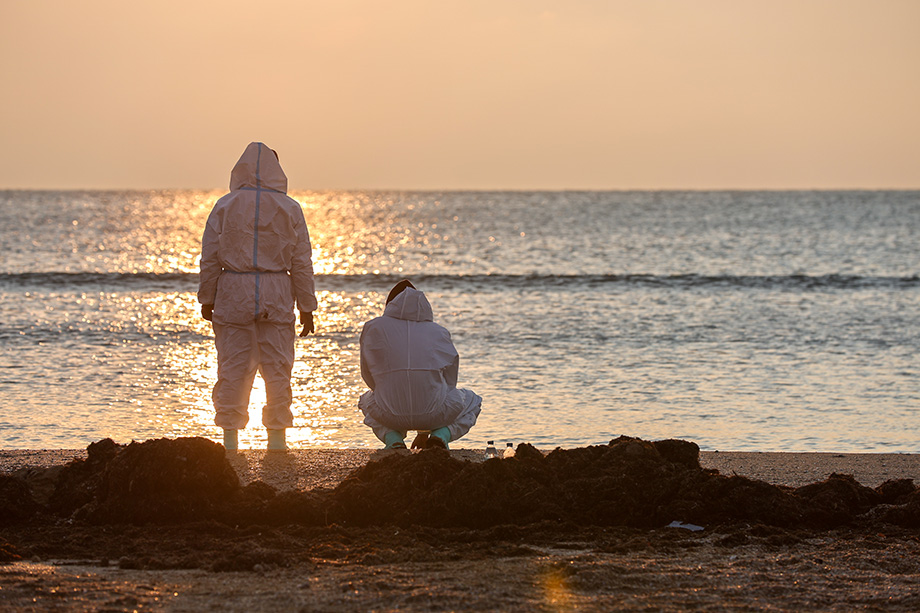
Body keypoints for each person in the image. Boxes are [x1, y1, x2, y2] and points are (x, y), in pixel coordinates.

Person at [198, 142, 317, 451]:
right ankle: (277, 441)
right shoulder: (290, 207)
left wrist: (207, 298)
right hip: (276, 292)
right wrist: (307, 306)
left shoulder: (225, 205)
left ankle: (230, 441)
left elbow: (209, 257)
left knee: (232, 368)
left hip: (233, 292)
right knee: (278, 367)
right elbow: (301, 261)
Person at [358, 280, 482, 449]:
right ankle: (440, 435)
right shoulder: (439, 331)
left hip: (389, 414)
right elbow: (449, 382)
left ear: (390, 304)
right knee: (473, 400)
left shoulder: (373, 327)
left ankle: (393, 440)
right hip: (435, 414)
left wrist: (388, 394)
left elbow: (368, 375)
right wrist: (425, 426)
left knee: (365, 400)